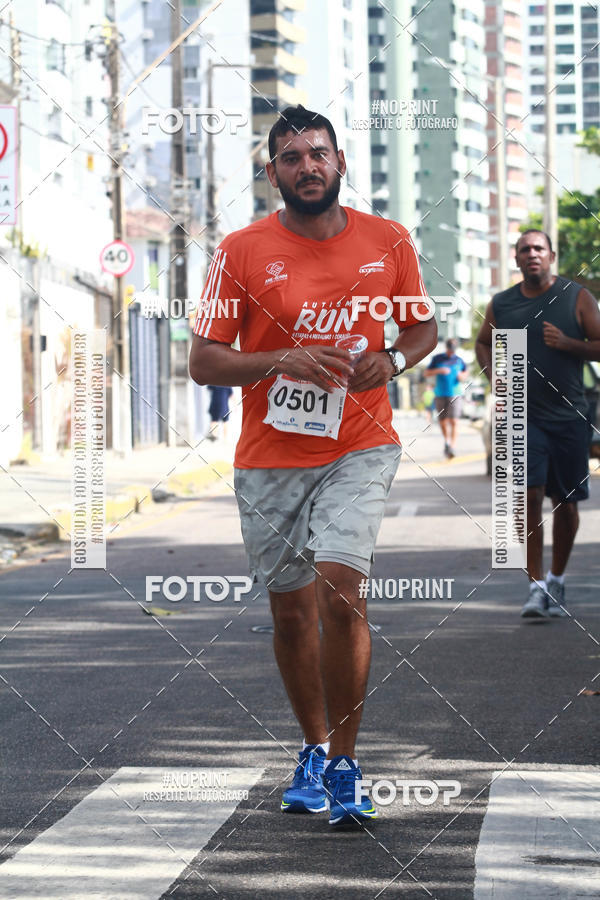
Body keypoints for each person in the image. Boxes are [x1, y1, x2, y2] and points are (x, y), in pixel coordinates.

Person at [189, 104, 437, 827]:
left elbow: (422, 326)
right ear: (274, 174)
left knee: (340, 590)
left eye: (318, 154)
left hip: (360, 442)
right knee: (292, 612)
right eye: (292, 158)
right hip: (270, 456)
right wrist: (279, 360)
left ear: (340, 163)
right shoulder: (240, 251)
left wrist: (392, 361)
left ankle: (347, 764)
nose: (307, 167)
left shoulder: (388, 240)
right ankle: (314, 747)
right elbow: (204, 360)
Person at [475, 229, 600, 618]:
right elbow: (483, 342)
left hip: (568, 417)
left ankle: (557, 579)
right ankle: (536, 586)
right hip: (522, 416)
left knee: (566, 503)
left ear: (551, 256)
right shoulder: (502, 303)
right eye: (525, 249)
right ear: (516, 258)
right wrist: (493, 373)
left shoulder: (576, 297)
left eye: (539, 248)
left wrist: (569, 344)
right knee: (527, 495)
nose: (532, 254)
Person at [424, 338, 468, 457]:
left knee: (454, 421)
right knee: (442, 421)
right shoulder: (437, 359)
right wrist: (439, 370)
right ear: (446, 347)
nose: (451, 352)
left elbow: (465, 374)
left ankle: (452, 447)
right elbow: (426, 373)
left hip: (455, 394)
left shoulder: (459, 360)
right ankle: (447, 442)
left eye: (453, 350)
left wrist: (462, 376)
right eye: (449, 349)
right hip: (440, 394)